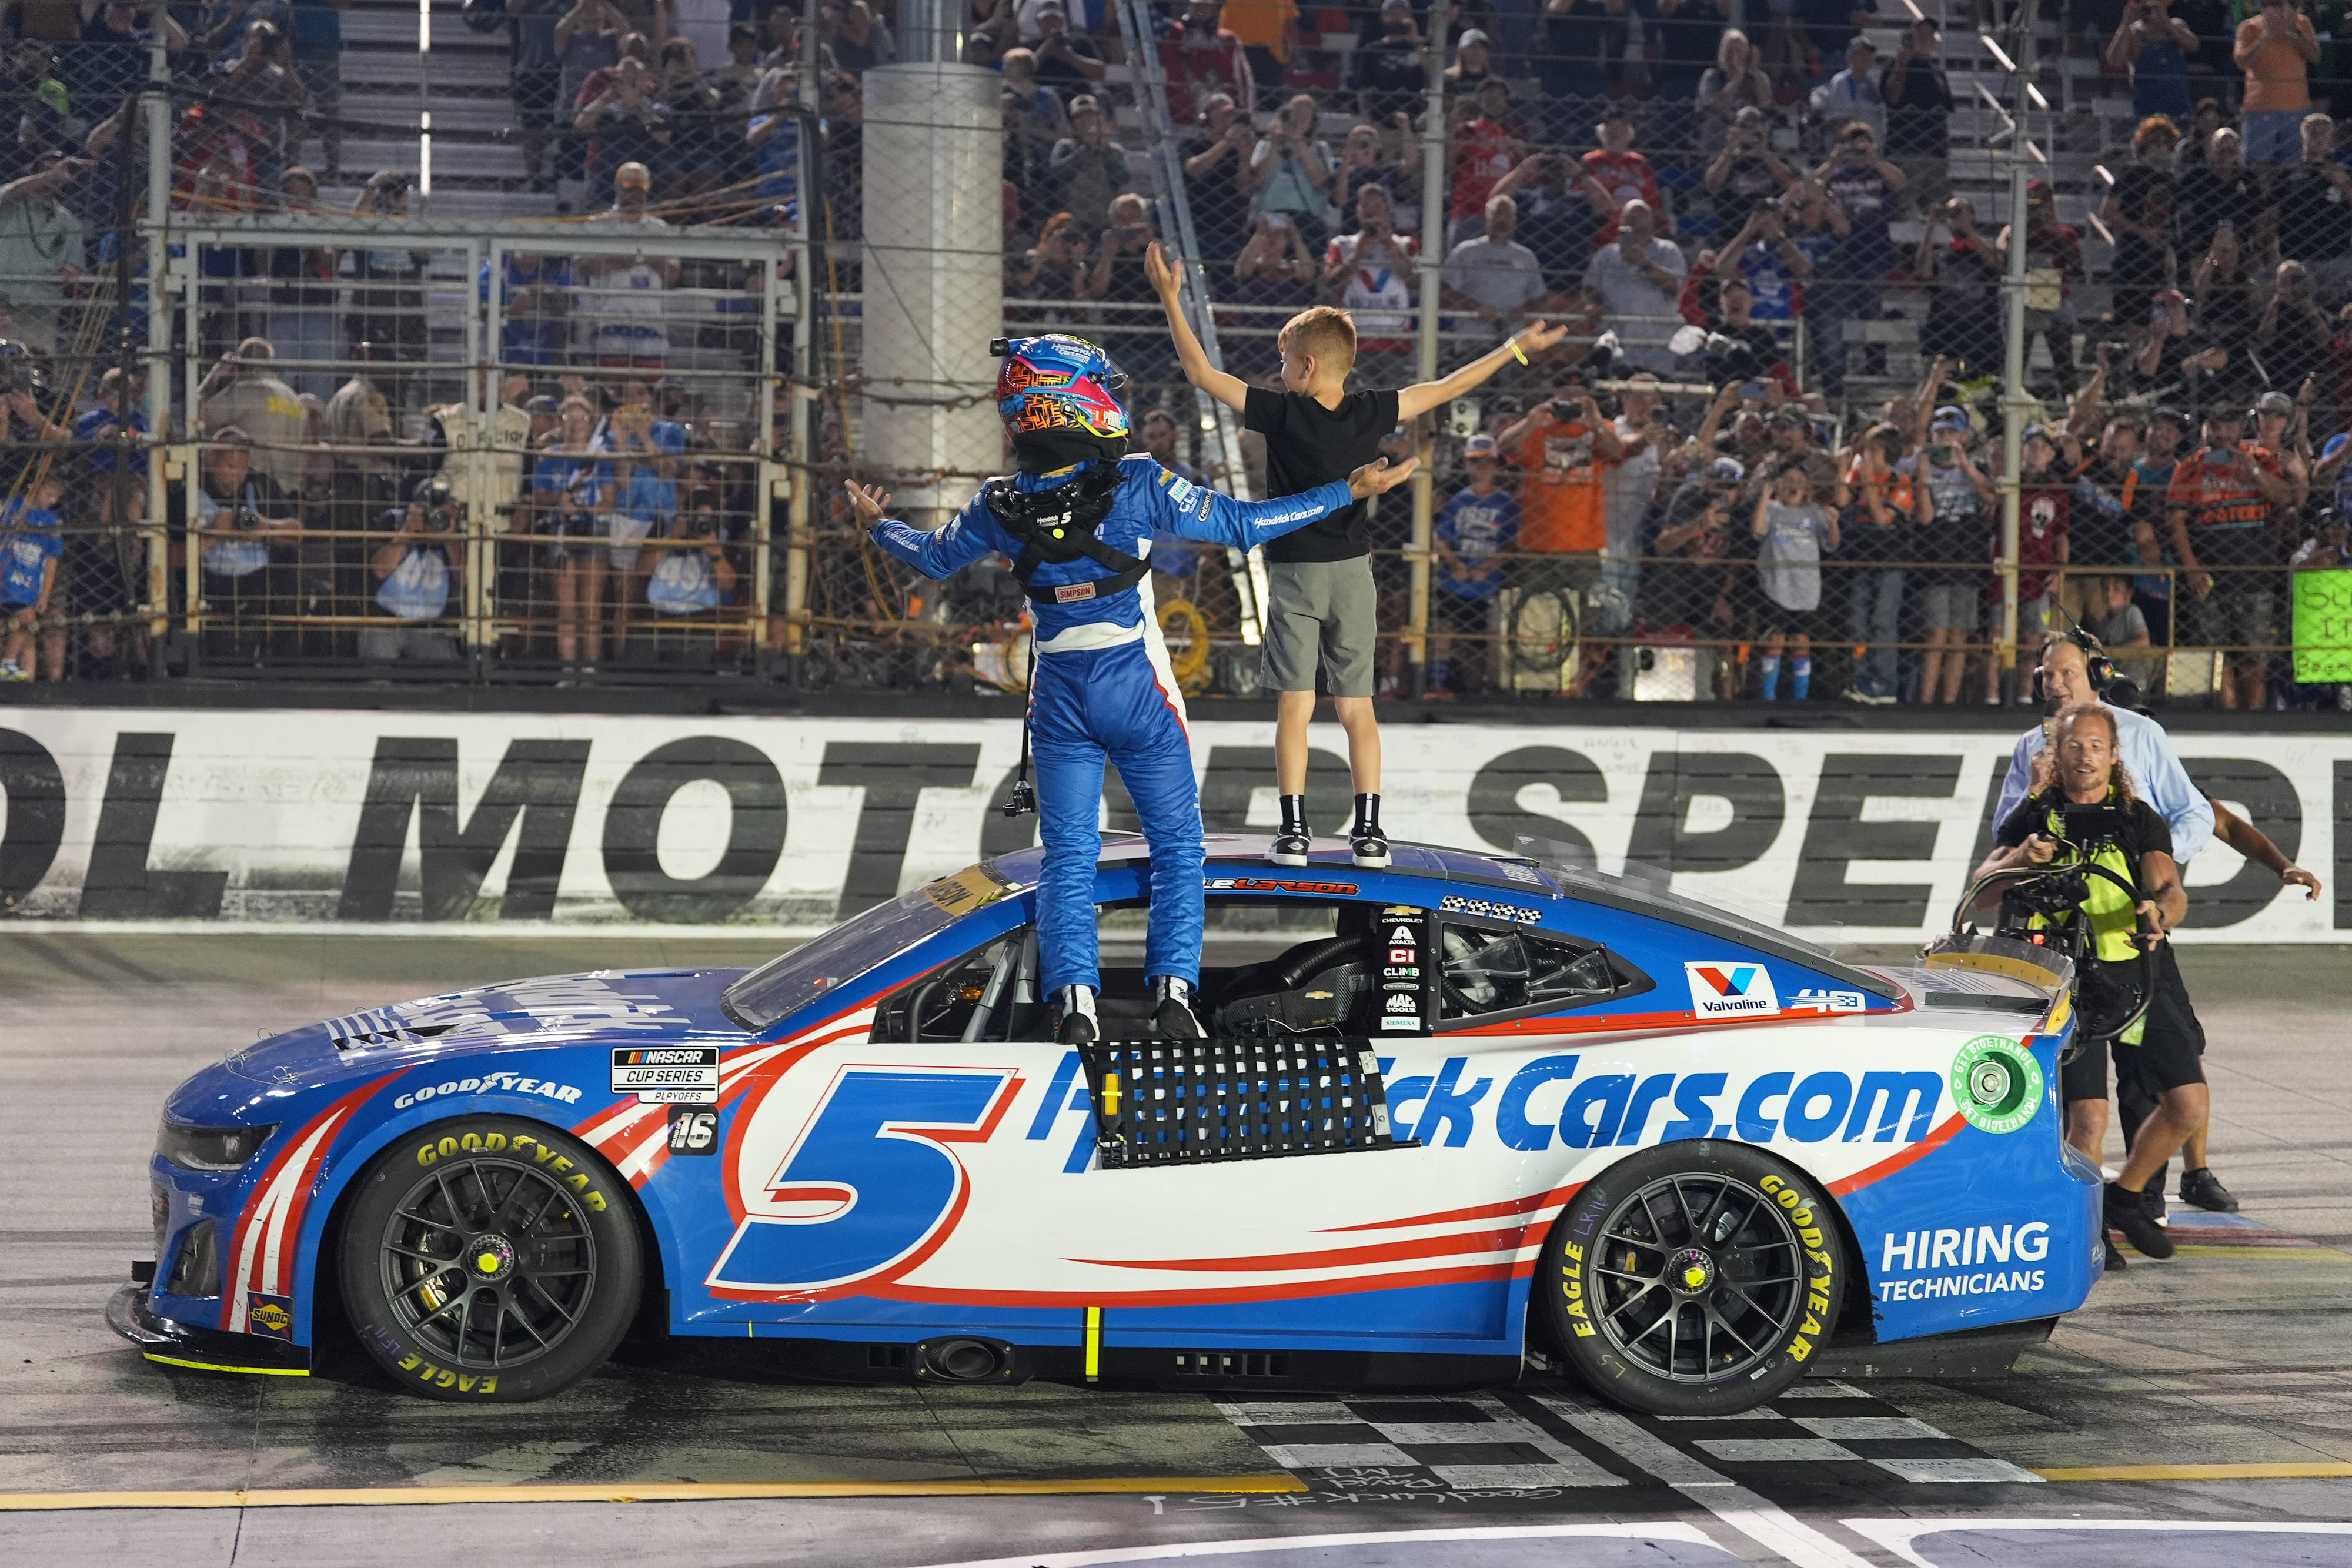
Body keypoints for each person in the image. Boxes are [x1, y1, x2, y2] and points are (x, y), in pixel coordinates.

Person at [848, 332, 1416, 1044]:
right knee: (1179, 847)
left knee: (1068, 857)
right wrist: (1346, 490)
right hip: (1136, 691)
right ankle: (1174, 995)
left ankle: (1075, 1006)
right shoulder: (1139, 480)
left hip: (1057, 699)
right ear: (1075, 403)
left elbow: (931, 561)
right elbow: (1246, 526)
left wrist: (878, 526)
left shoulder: (997, 504)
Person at [1150, 242, 1565, 864]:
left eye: (1285, 362)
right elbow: (1449, 386)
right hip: (1353, 574)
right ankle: (1369, 831)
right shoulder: (1374, 410)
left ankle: (1293, 831)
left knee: (1296, 705)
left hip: (1294, 572)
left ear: (1308, 366)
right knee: (1356, 708)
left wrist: (1169, 300)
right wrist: (1516, 349)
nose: (1279, 371)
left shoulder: (1283, 413)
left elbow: (1203, 375)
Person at [1975, 700, 2193, 1262]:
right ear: (2058, 754)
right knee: (2088, 1117)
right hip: (2066, 982)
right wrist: (2023, 855)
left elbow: (2171, 890)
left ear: (2114, 754)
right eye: (2074, 745)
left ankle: (2125, 1196)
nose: (2085, 756)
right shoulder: (2033, 814)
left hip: (2134, 975)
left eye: (2096, 746)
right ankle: (2088, 1230)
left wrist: (2160, 914)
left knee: (2188, 1106)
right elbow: (1983, 886)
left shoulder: (2137, 817)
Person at [2166, 405, 2291, 708]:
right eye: (2217, 425)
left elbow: (2286, 497)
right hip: (2209, 575)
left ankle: (2256, 717)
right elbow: (2175, 520)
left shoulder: (2261, 458)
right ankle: (2228, 715)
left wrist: (2253, 470)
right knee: (2215, 655)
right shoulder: (2190, 467)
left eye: (2230, 426)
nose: (2223, 433)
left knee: (2256, 655)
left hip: (2255, 572)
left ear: (2241, 428)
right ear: (2207, 428)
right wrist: (2192, 567)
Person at [1430, 432, 1517, 697]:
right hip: (1455, 579)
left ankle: (1481, 687)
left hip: (1487, 584)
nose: (1481, 467)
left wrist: (1488, 566)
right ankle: (1437, 684)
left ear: (1496, 464)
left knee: (1483, 642)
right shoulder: (1459, 500)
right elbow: (1440, 536)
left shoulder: (1506, 502)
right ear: (1466, 464)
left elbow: (1513, 543)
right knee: (1444, 633)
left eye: (1487, 461)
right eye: (1475, 461)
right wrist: (1455, 563)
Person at [1750, 459, 1839, 700]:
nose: (1794, 486)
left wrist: (1833, 523)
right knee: (1776, 638)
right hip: (1777, 585)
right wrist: (1765, 497)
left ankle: (1801, 696)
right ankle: (1768, 695)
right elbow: (1758, 531)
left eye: (1799, 482)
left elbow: (1831, 544)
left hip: (1806, 587)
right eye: (1788, 481)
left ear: (1808, 488)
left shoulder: (1813, 513)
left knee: (1801, 639)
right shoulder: (1771, 509)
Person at [2236, 0, 2321, 163]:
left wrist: (2296, 36)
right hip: (2259, 108)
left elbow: (2315, 57)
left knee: (2297, 165)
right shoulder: (2249, 27)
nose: (2281, 10)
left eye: (2287, 5)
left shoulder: (2302, 24)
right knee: (2257, 165)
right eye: (2274, 5)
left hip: (2297, 107)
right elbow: (2242, 63)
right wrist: (2266, 37)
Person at [0, 474, 65, 681]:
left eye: (56, 497)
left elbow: (52, 559)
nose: (52, 501)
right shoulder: (12, 507)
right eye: (49, 494)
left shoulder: (51, 521)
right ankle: (9, 665)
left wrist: (45, 594)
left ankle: (16, 669)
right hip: (7, 573)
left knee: (28, 624)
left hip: (28, 581)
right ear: (35, 489)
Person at [2106, 0, 2197, 126]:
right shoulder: (2133, 32)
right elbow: (2115, 60)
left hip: (2177, 99)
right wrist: (2126, 22)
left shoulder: (2175, 25)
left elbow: (2193, 45)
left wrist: (2164, 20)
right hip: (2147, 101)